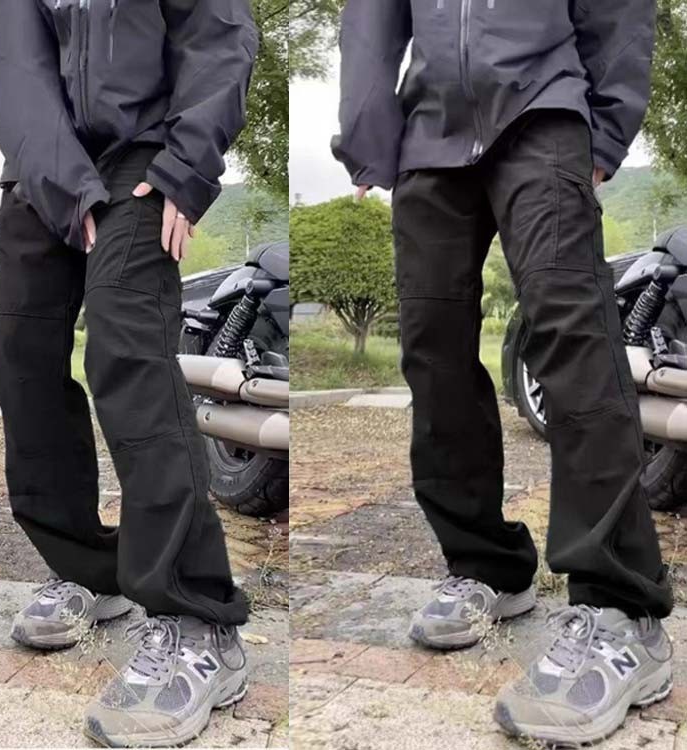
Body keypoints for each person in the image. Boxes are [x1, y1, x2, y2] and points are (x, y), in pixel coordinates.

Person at [332, 1, 674, 745]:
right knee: (431, 350)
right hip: (428, 131)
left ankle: (623, 608)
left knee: (572, 337)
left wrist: (606, 127)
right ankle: (487, 565)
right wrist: (367, 131)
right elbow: (372, 15)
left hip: (543, 111)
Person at [0, 0, 258, 745]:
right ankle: (86, 571)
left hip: (147, 157)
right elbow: (13, 67)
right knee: (20, 363)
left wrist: (186, 165)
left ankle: (198, 619)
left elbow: (219, 35)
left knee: (127, 351)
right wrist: (65, 184)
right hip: (41, 165)